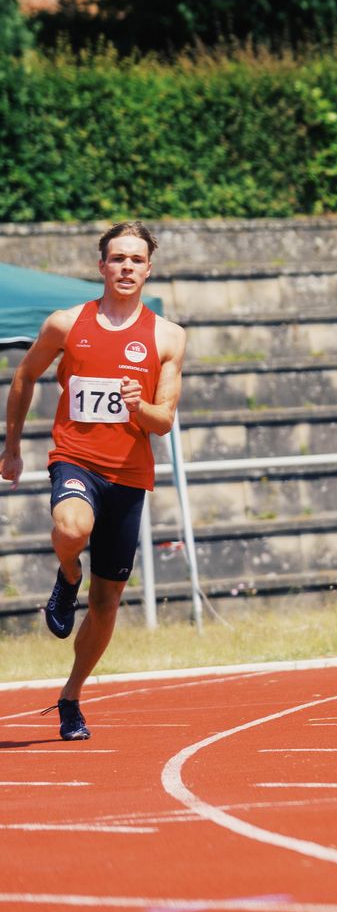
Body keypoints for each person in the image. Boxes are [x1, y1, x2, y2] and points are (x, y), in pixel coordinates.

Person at [1, 223, 186, 741]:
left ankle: (71, 696)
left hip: (129, 475)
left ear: (149, 268)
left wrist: (138, 404)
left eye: (136, 260)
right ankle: (67, 574)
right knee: (71, 526)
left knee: (107, 603)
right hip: (75, 459)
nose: (126, 267)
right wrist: (12, 447)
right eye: (117, 259)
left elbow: (164, 420)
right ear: (101, 265)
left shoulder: (168, 336)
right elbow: (24, 377)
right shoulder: (66, 323)